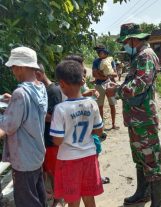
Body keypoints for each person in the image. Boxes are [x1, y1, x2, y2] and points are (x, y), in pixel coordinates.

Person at [106, 23, 161, 207]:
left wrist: (117, 91)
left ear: (133, 39)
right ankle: (142, 194)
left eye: (125, 41)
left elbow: (141, 83)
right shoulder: (139, 55)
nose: (125, 45)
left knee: (151, 160)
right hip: (136, 118)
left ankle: (157, 203)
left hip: (144, 118)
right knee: (140, 158)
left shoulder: (146, 55)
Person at [50, 60, 104, 207]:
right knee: (89, 196)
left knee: (72, 199)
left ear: (61, 83)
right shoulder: (92, 103)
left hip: (68, 160)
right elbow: (99, 131)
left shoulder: (60, 109)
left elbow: (58, 141)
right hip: (89, 156)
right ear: (82, 80)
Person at [0, 46, 48, 207]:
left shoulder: (20, 94)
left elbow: (7, 128)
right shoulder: (40, 88)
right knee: (38, 196)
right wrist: (12, 100)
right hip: (36, 155)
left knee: (26, 201)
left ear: (20, 67)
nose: (13, 71)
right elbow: (29, 113)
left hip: (23, 160)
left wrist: (13, 101)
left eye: (13, 67)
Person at [35, 64, 64, 207]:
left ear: (39, 74)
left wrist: (33, 111)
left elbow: (54, 116)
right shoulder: (44, 90)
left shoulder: (53, 90)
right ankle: (54, 197)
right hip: (45, 139)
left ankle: (59, 200)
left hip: (51, 140)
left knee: (54, 173)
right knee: (47, 172)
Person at [92, 46, 118, 129]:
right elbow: (94, 74)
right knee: (100, 106)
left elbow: (115, 73)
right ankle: (101, 125)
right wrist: (105, 76)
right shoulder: (96, 61)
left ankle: (113, 124)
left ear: (106, 53)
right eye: (98, 52)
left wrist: (101, 74)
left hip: (110, 85)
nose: (99, 54)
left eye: (101, 52)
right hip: (99, 85)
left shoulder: (111, 61)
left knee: (112, 104)